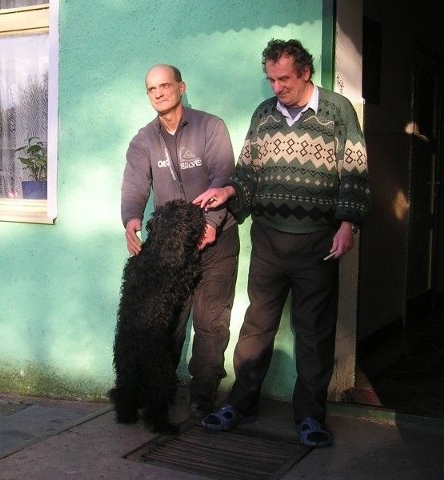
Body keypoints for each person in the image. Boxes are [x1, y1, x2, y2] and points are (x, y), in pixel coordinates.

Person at [193, 39, 371, 447]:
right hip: (270, 239)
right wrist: (229, 193)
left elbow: (355, 175)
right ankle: (240, 404)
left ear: (305, 72)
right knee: (257, 325)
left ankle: (310, 416)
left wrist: (347, 224)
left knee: (313, 332)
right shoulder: (263, 115)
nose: (276, 87)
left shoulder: (337, 112)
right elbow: (247, 174)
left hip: (317, 243)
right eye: (271, 79)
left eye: (284, 78)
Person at [121, 64, 240, 418]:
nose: (158, 93)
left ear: (181, 87)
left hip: (217, 242)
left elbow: (223, 176)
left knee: (211, 322)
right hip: (171, 250)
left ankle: (203, 396)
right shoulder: (143, 140)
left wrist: (212, 223)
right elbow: (134, 185)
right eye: (151, 89)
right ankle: (162, 390)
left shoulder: (210, 127)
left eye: (164, 85)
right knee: (168, 322)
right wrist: (130, 221)